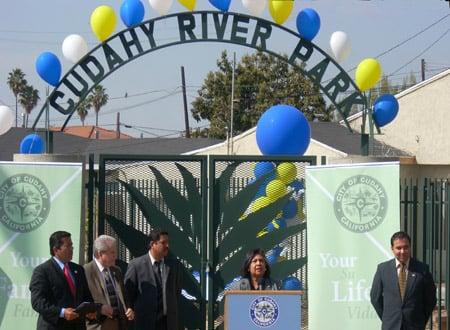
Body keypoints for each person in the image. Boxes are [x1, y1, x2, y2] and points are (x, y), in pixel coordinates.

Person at [370, 231, 437, 330]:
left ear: (410, 247)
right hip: (391, 326)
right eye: (398, 248)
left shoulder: (422, 269)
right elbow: (375, 298)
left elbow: (430, 299)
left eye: (406, 247)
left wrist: (420, 320)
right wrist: (387, 318)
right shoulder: (382, 269)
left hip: (414, 326)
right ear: (392, 249)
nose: (402, 251)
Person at [30, 231, 96, 330]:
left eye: (72, 245)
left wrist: (90, 310)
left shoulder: (78, 269)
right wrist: (62, 312)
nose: (72, 249)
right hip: (53, 326)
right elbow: (38, 302)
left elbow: (86, 295)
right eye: (68, 246)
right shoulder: (42, 271)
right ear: (56, 249)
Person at [124, 229, 182, 330]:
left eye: (168, 243)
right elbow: (128, 293)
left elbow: (177, 290)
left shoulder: (173, 265)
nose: (167, 246)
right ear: (152, 244)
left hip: (168, 323)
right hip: (145, 322)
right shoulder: (136, 265)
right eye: (163, 243)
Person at [84, 235, 134, 330]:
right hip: (99, 325)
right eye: (112, 252)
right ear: (100, 254)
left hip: (119, 324)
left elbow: (123, 296)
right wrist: (99, 309)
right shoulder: (86, 271)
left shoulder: (116, 270)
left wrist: (129, 308)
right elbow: (82, 302)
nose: (115, 256)